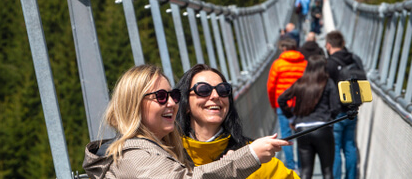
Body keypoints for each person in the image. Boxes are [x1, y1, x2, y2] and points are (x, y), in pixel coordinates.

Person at [83, 64, 291, 178]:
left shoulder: (162, 151)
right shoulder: (133, 156)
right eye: (161, 97)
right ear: (133, 104)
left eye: (173, 95)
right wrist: (250, 156)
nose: (172, 102)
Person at [175, 64, 300, 178]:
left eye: (223, 90)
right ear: (185, 104)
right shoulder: (168, 157)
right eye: (203, 90)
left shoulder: (255, 155)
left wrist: (248, 158)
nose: (215, 95)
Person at [277, 55, 340, 179]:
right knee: (327, 171)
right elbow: (336, 106)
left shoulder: (301, 82)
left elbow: (281, 99)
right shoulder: (328, 82)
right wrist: (329, 119)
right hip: (323, 128)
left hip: (302, 129)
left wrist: (291, 118)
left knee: (306, 171)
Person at [324, 31, 362, 179]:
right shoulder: (354, 59)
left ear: (328, 45)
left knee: (335, 148)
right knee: (350, 146)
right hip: (352, 109)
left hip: (336, 112)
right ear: (343, 43)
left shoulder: (329, 63)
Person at [266, 38, 308, 170]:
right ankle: (302, 166)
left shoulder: (278, 64)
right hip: (301, 104)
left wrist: (274, 105)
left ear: (284, 49)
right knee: (301, 134)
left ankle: (291, 167)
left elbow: (271, 87)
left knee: (286, 136)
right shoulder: (305, 64)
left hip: (283, 105)